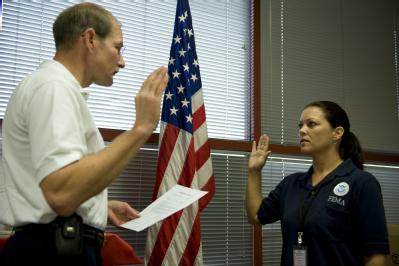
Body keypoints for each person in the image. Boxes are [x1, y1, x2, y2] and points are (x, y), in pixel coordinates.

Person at [0, 3, 168, 265]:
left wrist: (97, 206)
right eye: (118, 47)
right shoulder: (53, 87)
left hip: (53, 244)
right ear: (90, 39)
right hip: (52, 252)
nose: (122, 62)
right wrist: (141, 129)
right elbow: (62, 194)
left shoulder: (52, 86)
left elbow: (51, 189)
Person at [246, 101, 390, 266]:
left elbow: (376, 257)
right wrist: (254, 171)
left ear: (337, 133)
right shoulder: (292, 183)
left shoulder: (362, 183)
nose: (302, 130)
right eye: (300, 125)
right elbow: (256, 216)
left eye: (311, 124)